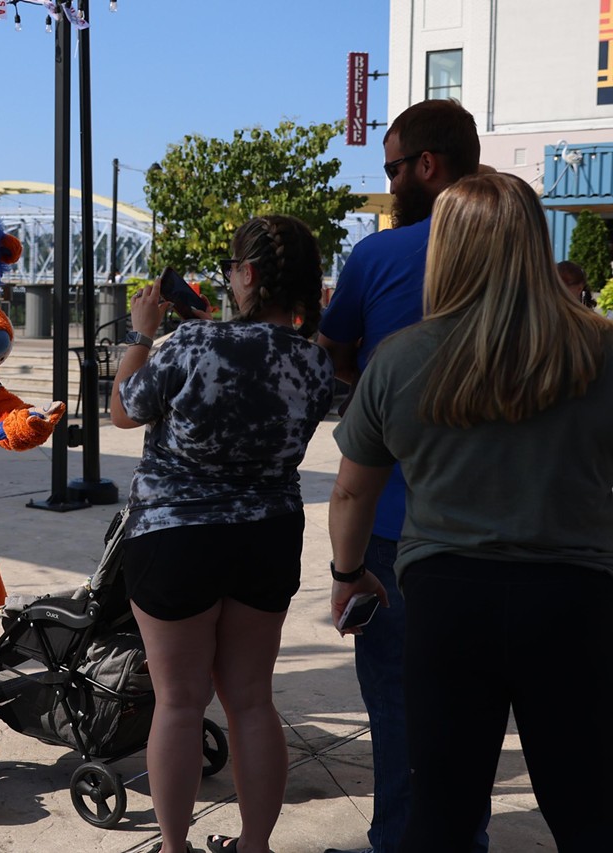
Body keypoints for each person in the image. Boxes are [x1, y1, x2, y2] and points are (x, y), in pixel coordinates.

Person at [329, 172, 613, 852]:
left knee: (443, 812)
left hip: (447, 600)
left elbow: (350, 491)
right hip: (575, 598)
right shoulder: (599, 349)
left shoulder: (399, 361)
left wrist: (348, 572)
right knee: (589, 809)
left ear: (446, 249)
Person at [111, 215, 335, 853]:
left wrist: (141, 332)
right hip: (267, 535)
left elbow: (123, 410)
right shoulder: (315, 363)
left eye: (234, 266)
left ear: (251, 275)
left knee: (179, 703)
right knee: (253, 701)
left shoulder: (191, 345)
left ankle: (175, 847)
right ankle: (255, 846)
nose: (230, 277)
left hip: (176, 533)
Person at [316, 99, 486, 853]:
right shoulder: (515, 260)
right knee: (475, 704)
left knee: (395, 699)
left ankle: (399, 838)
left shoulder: (379, 256)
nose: (387, 185)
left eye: (392, 168)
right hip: (498, 529)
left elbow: (332, 353)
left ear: (427, 166)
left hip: (395, 524)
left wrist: (369, 382)